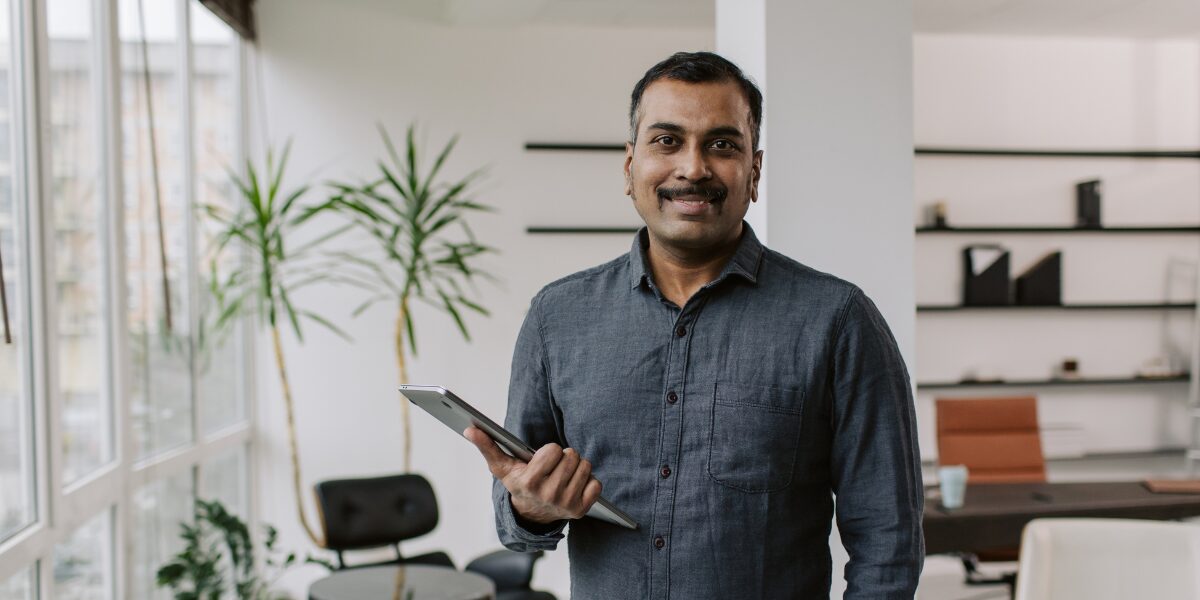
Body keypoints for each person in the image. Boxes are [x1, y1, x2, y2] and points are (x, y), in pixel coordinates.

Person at [466, 51, 923, 599]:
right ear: (630, 167)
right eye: (667, 141)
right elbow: (518, 526)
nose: (693, 168)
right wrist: (530, 507)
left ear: (754, 171)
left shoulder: (839, 321)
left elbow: (888, 543)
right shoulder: (556, 317)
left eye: (722, 145)